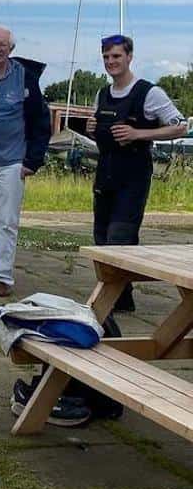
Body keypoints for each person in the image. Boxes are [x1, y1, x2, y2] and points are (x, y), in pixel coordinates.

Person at [86, 34, 186, 311]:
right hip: (105, 171)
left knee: (121, 237)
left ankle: (109, 301)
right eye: (106, 57)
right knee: (102, 238)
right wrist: (94, 130)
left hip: (134, 173)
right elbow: (103, 132)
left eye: (116, 56)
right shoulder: (102, 94)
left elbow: (180, 127)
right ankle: (121, 300)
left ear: (129, 57)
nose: (110, 62)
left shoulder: (148, 93)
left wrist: (140, 133)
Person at [0, 24, 50, 298]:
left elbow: (40, 122)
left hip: (13, 162)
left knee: (7, 222)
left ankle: (2, 276)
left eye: (4, 45)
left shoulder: (25, 78)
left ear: (11, 49)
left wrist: (33, 160)